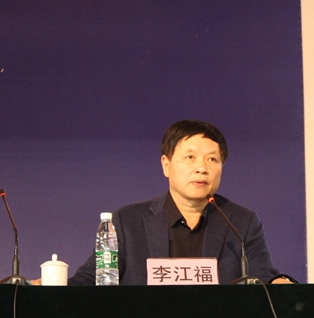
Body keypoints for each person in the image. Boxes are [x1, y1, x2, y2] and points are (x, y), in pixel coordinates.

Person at [68, 120, 294, 285]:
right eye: (190, 157)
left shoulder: (242, 222)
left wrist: (280, 283)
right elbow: (92, 279)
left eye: (212, 159)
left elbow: (264, 277)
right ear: (166, 165)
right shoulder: (128, 222)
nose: (202, 168)